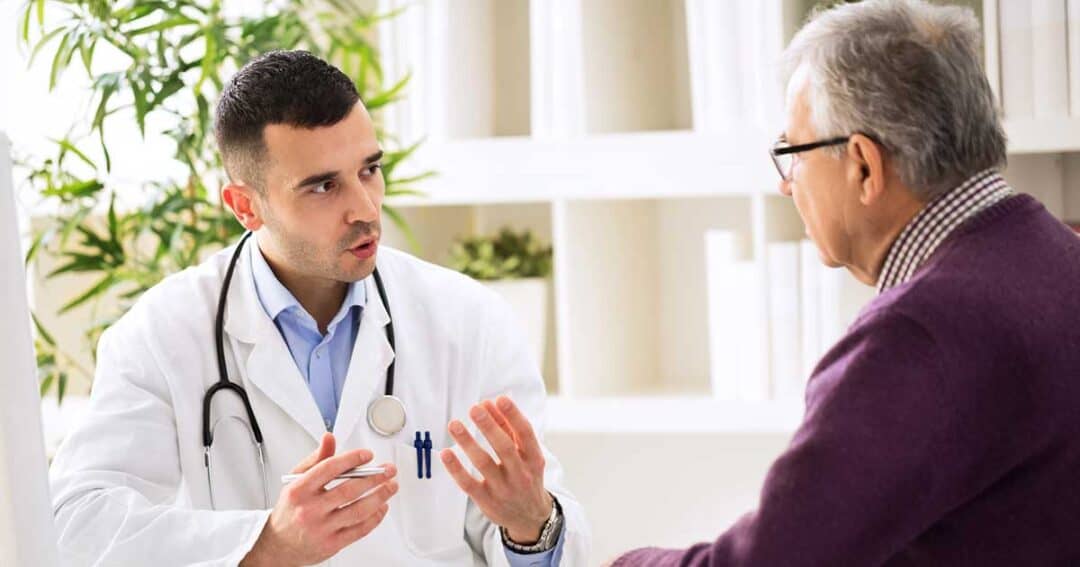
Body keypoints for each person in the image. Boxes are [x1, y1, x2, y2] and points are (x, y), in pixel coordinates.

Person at [49, 50, 589, 566]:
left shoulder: (470, 321)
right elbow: (74, 525)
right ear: (245, 206)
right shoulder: (161, 334)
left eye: (369, 169)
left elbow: (540, 537)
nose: (366, 207)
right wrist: (266, 544)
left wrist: (531, 524)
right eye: (324, 186)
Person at [611, 0, 1080, 565]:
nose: (787, 186)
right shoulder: (1058, 252)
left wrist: (624, 560)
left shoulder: (919, 333)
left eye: (792, 153)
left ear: (863, 165)